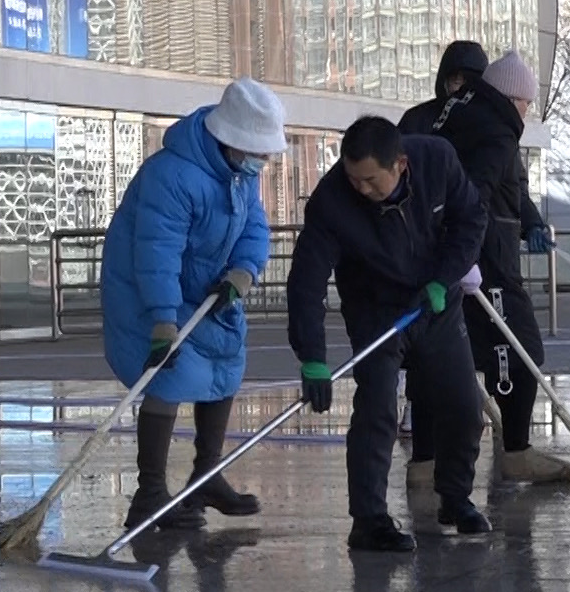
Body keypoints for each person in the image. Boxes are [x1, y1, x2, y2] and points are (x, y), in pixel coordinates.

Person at [287, 116, 490, 551]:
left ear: (399, 164)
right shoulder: (332, 202)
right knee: (377, 409)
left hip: (434, 300)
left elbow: (471, 219)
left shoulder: (437, 161)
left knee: (464, 405)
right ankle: (369, 521)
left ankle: (455, 498)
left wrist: (443, 277)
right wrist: (313, 356)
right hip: (375, 308)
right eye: (352, 177)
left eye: (369, 180)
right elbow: (306, 279)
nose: (360, 188)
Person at [102, 78, 286, 531]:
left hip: (206, 286)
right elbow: (156, 251)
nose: (262, 160)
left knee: (225, 365)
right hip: (147, 287)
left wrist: (243, 269)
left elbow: (254, 229)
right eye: (257, 150)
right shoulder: (173, 175)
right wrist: (163, 320)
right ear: (232, 139)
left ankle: (206, 474)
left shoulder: (239, 177)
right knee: (169, 374)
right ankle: (149, 494)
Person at [400, 44, 551, 470]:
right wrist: (463, 258)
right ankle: (515, 451)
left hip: (460, 257)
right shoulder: (488, 130)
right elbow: (475, 196)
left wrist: (532, 224)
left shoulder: (463, 120)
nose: (526, 110)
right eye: (524, 102)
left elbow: (512, 188)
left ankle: (427, 463)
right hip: (482, 264)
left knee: (440, 354)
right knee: (517, 352)